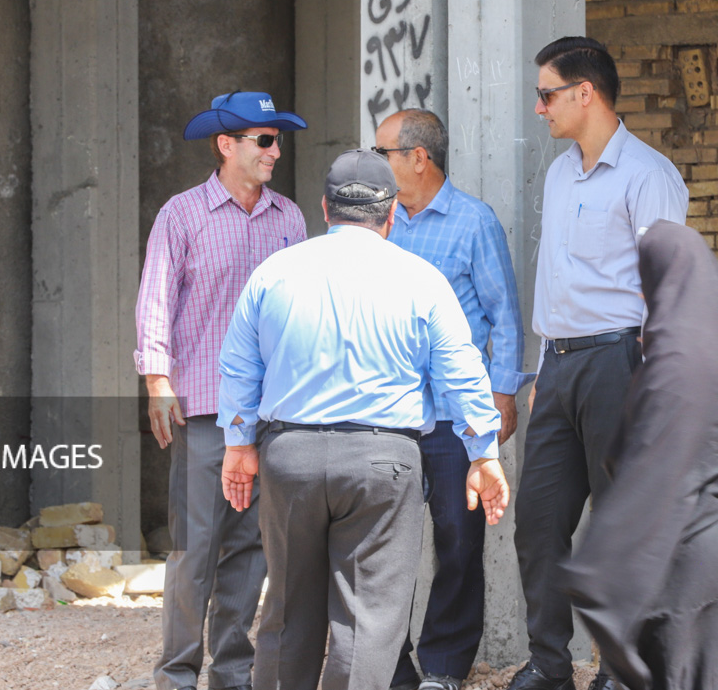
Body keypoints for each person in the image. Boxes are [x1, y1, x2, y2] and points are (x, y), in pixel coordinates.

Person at [216, 149, 511, 690]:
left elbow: (238, 364)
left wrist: (239, 445)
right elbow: (462, 369)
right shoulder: (421, 278)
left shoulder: (274, 273)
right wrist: (483, 452)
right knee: (366, 622)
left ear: (325, 208)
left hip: (291, 458)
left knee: (286, 612)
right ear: (391, 213)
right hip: (383, 463)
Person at [512, 36, 688, 690]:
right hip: (558, 367)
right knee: (538, 522)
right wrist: (542, 367)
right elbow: (556, 278)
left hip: (622, 360)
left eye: (546, 94)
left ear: (584, 93)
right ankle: (548, 663)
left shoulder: (648, 175)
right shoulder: (560, 173)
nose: (539, 108)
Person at [135, 91, 308, 690]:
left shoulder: (290, 219)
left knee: (251, 547)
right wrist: (157, 379)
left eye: (278, 140)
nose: (275, 151)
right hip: (205, 408)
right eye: (265, 140)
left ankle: (232, 673)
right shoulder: (181, 215)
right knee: (195, 546)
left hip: (269, 412)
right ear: (226, 145)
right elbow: (156, 298)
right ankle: (177, 674)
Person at [565, 221, 718, 690]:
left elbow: (652, 457)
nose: (643, 294)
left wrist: (601, 560)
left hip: (694, 559)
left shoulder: (676, 354)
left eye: (646, 279)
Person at [373, 109, 531, 690]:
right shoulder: (378, 222)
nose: (375, 161)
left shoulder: (473, 222)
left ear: (419, 158)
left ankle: (443, 667)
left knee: (458, 543)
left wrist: (502, 395)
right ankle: (390, 668)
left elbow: (504, 316)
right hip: (387, 416)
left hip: (451, 417)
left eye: (383, 151)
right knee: (382, 548)